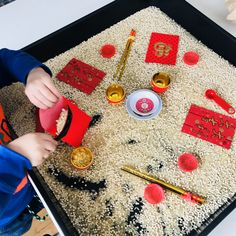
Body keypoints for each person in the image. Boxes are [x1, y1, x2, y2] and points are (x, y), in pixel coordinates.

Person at [0, 48, 61, 235]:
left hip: (28, 185)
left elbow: (4, 59)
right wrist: (13, 157)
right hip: (9, 214)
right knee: (22, 226)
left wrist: (31, 72)